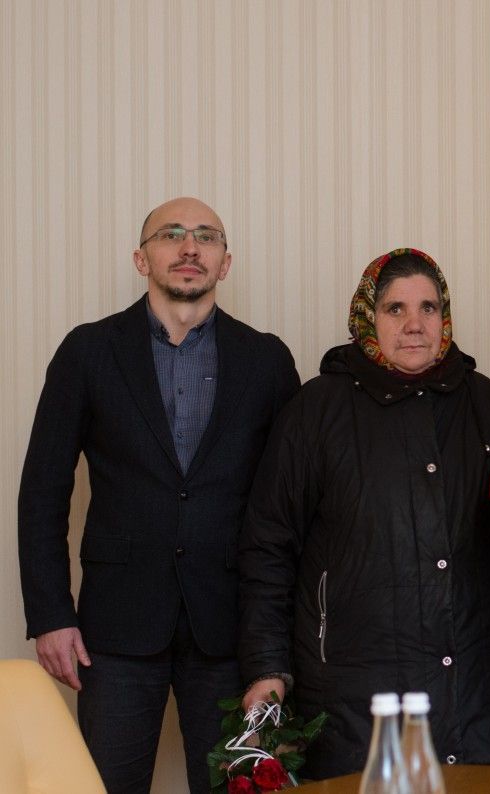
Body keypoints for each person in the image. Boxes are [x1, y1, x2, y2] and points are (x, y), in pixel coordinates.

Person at [17, 197, 300, 794]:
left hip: (231, 628)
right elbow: (42, 490)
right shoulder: (88, 351)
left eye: (206, 236)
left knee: (233, 789)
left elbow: (290, 504)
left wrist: (279, 644)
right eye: (171, 234)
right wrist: (50, 616)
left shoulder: (267, 360)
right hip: (115, 629)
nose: (189, 247)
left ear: (225, 262)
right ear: (141, 258)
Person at [237, 248, 490, 779]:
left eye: (428, 308)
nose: (414, 324)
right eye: (395, 308)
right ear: (367, 317)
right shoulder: (315, 412)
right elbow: (268, 547)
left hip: (485, 696)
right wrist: (267, 668)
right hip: (354, 696)